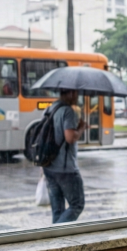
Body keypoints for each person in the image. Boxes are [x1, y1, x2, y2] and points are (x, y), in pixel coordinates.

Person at [44, 89, 86, 223]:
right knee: (77, 205)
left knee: (58, 210)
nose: (77, 97)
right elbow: (70, 137)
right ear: (71, 93)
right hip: (65, 168)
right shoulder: (68, 111)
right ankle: (54, 232)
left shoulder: (50, 109)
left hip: (49, 166)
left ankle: (56, 235)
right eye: (76, 94)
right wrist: (81, 128)